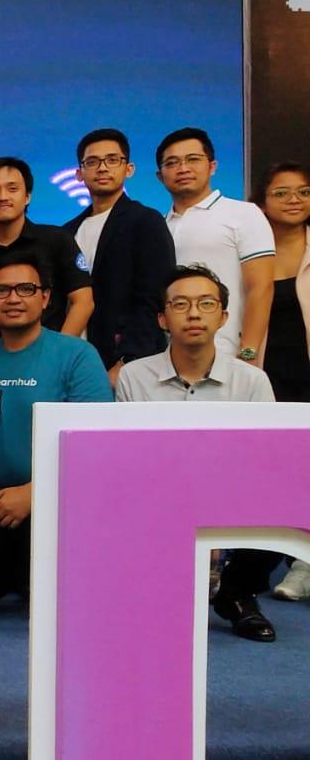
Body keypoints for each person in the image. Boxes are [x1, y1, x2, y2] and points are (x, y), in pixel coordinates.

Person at [0, 253, 112, 617]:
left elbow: (95, 446)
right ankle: (15, 575)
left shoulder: (77, 355)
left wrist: (35, 492)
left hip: (61, 503)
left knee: (70, 607)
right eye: (1, 291)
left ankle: (27, 576)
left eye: (26, 289)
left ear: (45, 298)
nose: (13, 298)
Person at [116, 265, 277, 639]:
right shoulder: (134, 376)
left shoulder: (252, 381)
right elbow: (130, 459)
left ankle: (237, 595)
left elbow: (265, 463)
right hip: (157, 498)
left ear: (223, 317)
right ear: (162, 318)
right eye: (180, 304)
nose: (193, 314)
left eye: (206, 304)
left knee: (278, 501)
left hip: (232, 498)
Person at [0, 156, 93, 369]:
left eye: (12, 189)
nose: (3, 197)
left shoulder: (56, 240)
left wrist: (57, 355)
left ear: (27, 196)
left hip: (47, 361)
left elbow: (83, 302)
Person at [64, 129, 175, 381]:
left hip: (125, 364)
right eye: (93, 162)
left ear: (129, 169)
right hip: (73, 361)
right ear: (79, 174)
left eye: (112, 160)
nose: (102, 168)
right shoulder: (67, 231)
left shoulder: (146, 221)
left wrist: (128, 360)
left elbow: (154, 297)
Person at [157, 127, 274, 364]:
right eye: (172, 163)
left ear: (212, 166)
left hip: (229, 355)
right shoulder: (157, 225)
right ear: (160, 176)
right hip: (167, 358)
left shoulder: (244, 213)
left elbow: (261, 288)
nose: (183, 168)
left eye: (193, 159)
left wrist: (249, 353)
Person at [254, 163, 310, 600]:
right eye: (282, 192)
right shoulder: (251, 247)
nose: (294, 199)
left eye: (303, 191)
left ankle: (304, 565)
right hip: (265, 373)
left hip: (307, 372)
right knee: (271, 468)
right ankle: (266, 560)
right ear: (262, 202)